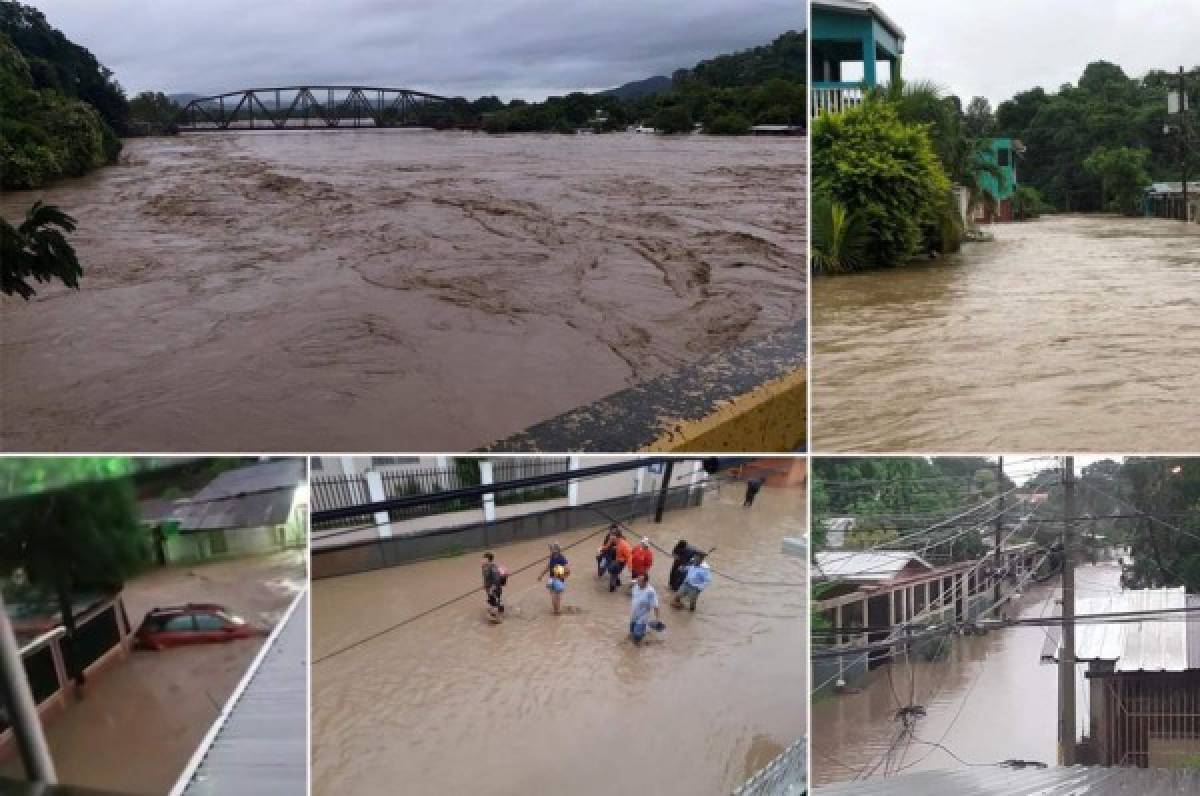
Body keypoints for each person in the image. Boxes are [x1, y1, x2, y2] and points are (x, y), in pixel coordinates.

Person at [538, 542, 570, 615]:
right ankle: (556, 612)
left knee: (555, 597)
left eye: (551, 548)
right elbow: (549, 567)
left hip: (555, 580)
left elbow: (567, 570)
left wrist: (562, 577)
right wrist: (541, 575)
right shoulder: (556, 557)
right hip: (555, 580)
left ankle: (556, 612)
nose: (550, 549)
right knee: (555, 598)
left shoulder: (558, 558)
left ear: (556, 550)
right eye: (550, 548)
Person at [629, 572, 661, 644]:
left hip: (643, 616)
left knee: (637, 636)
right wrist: (631, 584)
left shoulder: (650, 592)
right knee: (631, 633)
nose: (638, 582)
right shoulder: (636, 584)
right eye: (638, 580)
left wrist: (657, 619)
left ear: (646, 582)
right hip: (633, 613)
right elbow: (631, 583)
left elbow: (656, 606)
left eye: (640, 581)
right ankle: (644, 631)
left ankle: (640, 643)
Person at [481, 552, 507, 621]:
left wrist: (493, 587)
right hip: (489, 587)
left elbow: (497, 578)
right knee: (495, 601)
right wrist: (485, 585)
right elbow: (486, 577)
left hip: (494, 587)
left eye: (484, 558)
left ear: (488, 559)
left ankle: (499, 618)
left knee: (494, 601)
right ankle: (499, 614)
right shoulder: (484, 566)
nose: (482, 560)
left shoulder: (493, 566)